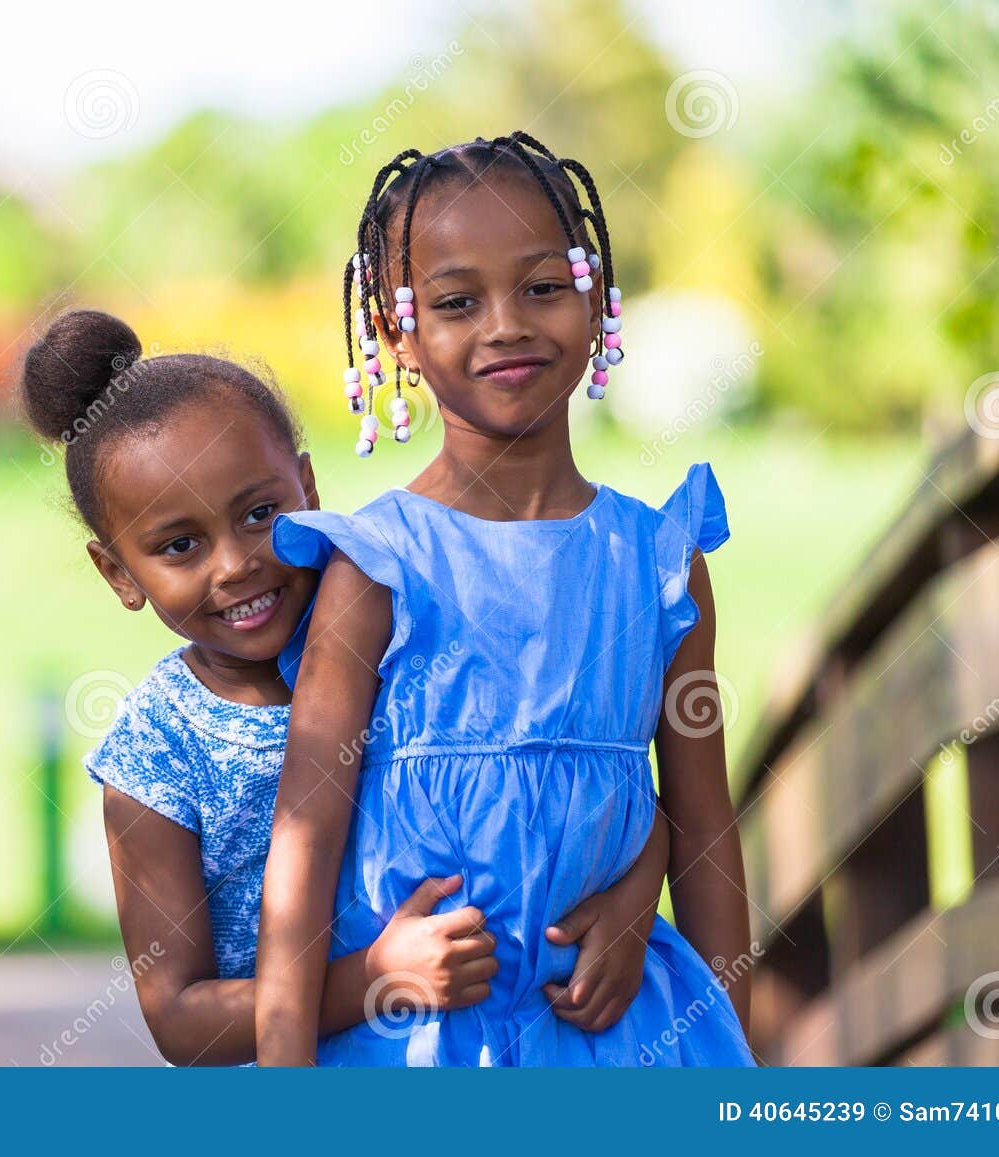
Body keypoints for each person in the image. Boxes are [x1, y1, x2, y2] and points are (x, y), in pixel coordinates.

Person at [19, 307, 673, 1066]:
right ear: (119, 572)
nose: (235, 564)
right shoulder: (157, 755)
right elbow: (178, 1018)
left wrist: (631, 903)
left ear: (308, 482)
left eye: (262, 513)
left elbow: (577, 779)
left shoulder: (402, 627)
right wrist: (376, 978)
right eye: (180, 545)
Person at [254, 132, 756, 1067]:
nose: (506, 325)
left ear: (595, 295)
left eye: (541, 287)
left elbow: (704, 823)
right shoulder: (377, 568)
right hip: (416, 1048)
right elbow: (303, 842)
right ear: (397, 333)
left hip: (625, 1041)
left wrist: (736, 1063)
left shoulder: (661, 564)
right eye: (455, 301)